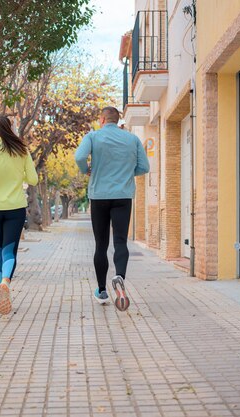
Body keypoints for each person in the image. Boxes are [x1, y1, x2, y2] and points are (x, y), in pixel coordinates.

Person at [74, 107, 150, 311]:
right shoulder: (132, 139)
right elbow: (144, 167)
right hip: (123, 196)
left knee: (101, 244)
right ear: (117, 120)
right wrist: (126, 172)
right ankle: (120, 277)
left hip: (99, 196)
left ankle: (101, 290)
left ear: (101, 119)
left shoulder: (93, 136)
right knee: (120, 241)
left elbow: (80, 157)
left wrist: (87, 170)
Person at [0, 116, 38, 315]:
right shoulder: (22, 151)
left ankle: (0, 289)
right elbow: (33, 180)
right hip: (15, 207)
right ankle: (5, 283)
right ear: (10, 128)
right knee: (9, 251)